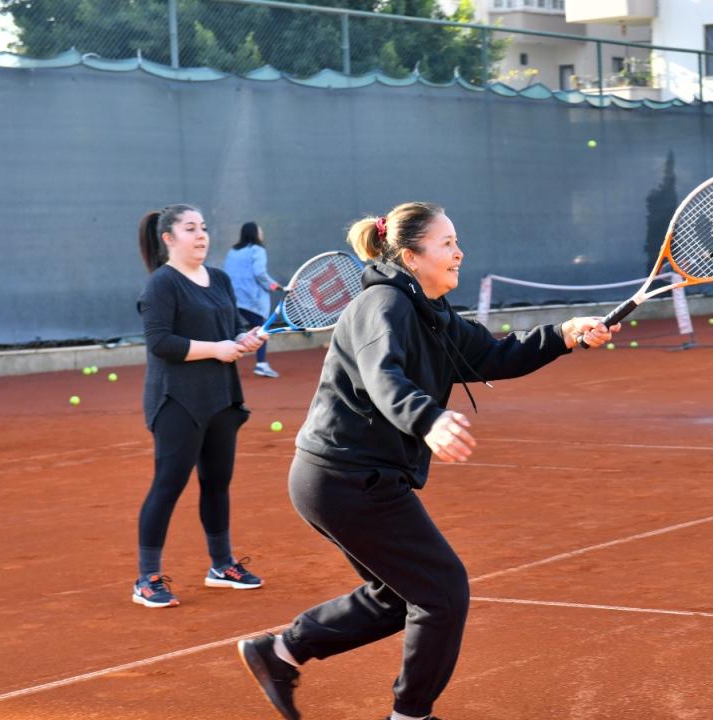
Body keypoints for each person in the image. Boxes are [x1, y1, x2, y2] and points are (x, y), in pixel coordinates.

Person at [237, 202, 618, 720]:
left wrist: (566, 334)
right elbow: (383, 375)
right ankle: (410, 715)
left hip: (348, 475)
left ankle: (279, 652)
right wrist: (429, 419)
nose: (459, 252)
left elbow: (493, 355)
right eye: (446, 243)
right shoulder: (383, 306)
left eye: (457, 241)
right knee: (442, 591)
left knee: (400, 596)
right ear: (411, 256)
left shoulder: (431, 313)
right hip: (345, 476)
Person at [133, 204, 267, 608]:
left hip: (221, 397)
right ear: (169, 239)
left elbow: (227, 334)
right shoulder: (162, 284)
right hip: (177, 400)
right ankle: (146, 579)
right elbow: (161, 343)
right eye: (190, 228)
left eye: (204, 227)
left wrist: (244, 339)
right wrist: (218, 348)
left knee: (217, 482)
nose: (201, 235)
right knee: (168, 485)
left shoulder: (221, 279)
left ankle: (222, 565)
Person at [224, 222, 283, 378]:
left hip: (233, 298)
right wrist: (274, 286)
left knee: (232, 330)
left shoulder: (232, 251)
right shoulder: (258, 250)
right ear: (255, 234)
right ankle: (261, 364)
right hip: (252, 300)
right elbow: (259, 273)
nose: (262, 234)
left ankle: (222, 360)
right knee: (261, 330)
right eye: (260, 232)